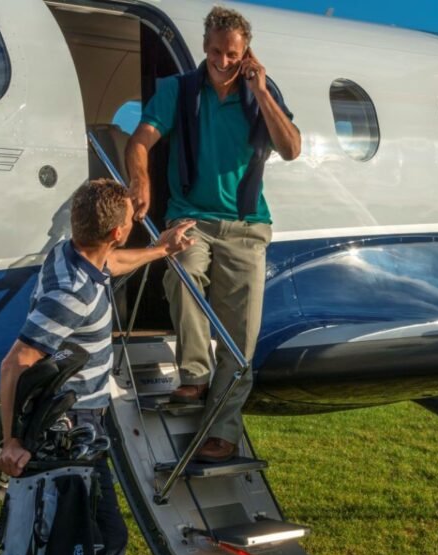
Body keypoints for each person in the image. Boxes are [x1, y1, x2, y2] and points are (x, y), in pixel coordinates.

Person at [0, 179, 195, 555]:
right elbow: (14, 362)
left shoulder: (73, 254)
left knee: (82, 541)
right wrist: (11, 441)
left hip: (86, 423)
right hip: (69, 428)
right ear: (117, 232)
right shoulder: (73, 293)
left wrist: (161, 250)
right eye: (129, 220)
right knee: (104, 539)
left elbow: (112, 264)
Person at [125, 5, 301, 463]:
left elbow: (291, 148)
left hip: (247, 227)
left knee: (240, 338)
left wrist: (261, 91)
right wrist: (140, 180)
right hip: (191, 218)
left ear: (246, 54)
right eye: (217, 51)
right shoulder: (178, 91)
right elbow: (139, 141)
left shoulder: (260, 93)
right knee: (181, 273)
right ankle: (195, 375)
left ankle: (221, 430)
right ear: (204, 46)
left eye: (232, 53)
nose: (223, 60)